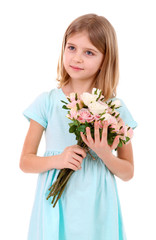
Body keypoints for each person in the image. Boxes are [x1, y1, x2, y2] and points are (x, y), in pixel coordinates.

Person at [20, 13, 138, 240]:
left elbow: (128, 172)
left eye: (89, 52)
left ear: (105, 59)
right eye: (71, 47)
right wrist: (57, 160)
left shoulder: (114, 108)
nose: (77, 58)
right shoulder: (47, 102)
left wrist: (105, 155)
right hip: (57, 204)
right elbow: (25, 161)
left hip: (97, 205)